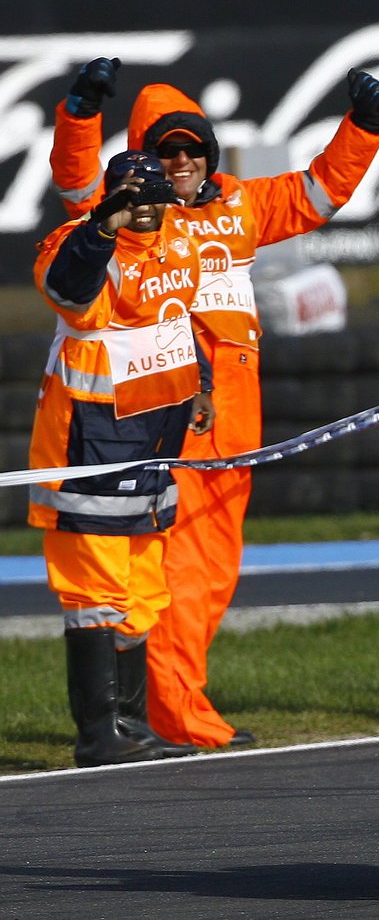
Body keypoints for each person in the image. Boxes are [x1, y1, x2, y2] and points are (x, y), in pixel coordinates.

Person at [50, 58, 379, 747]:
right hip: (175, 405)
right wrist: (81, 113)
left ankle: (169, 705)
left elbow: (318, 193)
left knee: (212, 571)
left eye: (192, 147)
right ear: (143, 157)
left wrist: (365, 125)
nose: (180, 160)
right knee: (172, 564)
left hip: (239, 419)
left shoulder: (241, 201)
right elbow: (79, 185)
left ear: (209, 153)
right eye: (164, 149)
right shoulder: (143, 216)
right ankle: (171, 713)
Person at [30, 151, 211, 767]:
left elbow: (177, 320)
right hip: (88, 439)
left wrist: (202, 384)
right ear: (109, 195)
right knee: (95, 591)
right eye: (130, 194)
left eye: (154, 193)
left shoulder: (179, 242)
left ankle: (133, 724)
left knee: (143, 590)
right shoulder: (76, 242)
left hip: (156, 441)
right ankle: (97, 732)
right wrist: (101, 230)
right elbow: (66, 293)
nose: (145, 205)